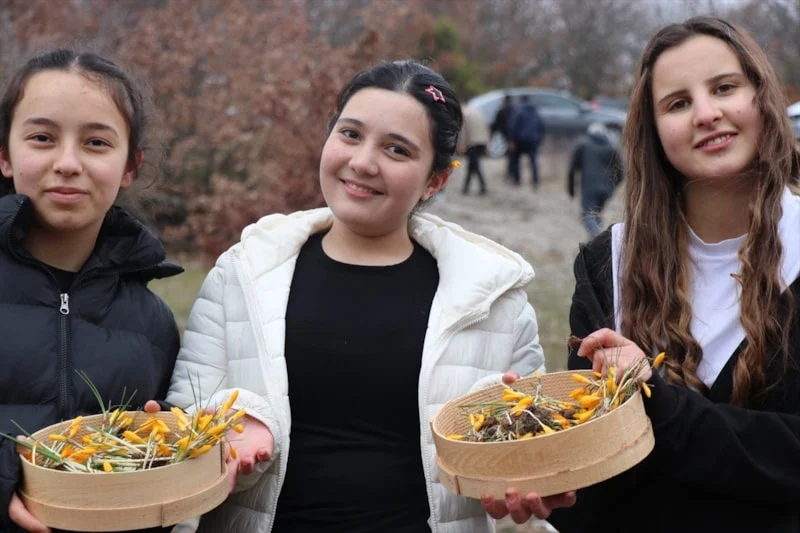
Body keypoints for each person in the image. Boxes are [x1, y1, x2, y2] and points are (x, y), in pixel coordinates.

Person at [166, 60, 546, 533]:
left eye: (397, 149)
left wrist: (521, 481)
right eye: (350, 134)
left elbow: (531, 453)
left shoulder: (494, 298)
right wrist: (237, 427)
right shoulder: (241, 274)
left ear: (436, 180)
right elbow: (181, 425)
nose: (363, 162)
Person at [483, 16, 800, 533]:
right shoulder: (608, 261)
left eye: (724, 88)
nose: (706, 113)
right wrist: (546, 461)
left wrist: (654, 398)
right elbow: (604, 484)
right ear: (652, 131)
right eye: (677, 103)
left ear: (762, 96)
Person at [0, 49, 183, 533]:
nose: (67, 163)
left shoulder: (153, 322)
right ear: (4, 154)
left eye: (96, 142)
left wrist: (156, 446)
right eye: (42, 138)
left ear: (129, 166)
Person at [566, 122, 623, 237]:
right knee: (596, 214)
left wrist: (571, 189)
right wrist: (613, 187)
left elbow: (572, 168)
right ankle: (595, 245)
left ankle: (599, 237)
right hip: (607, 189)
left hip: (590, 187)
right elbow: (621, 172)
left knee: (587, 215)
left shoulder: (583, 145)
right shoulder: (611, 147)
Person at [508, 94, 545, 189]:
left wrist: (512, 140)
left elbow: (513, 126)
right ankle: (535, 181)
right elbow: (541, 127)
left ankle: (517, 180)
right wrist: (539, 139)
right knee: (533, 161)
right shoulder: (535, 112)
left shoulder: (518, 111)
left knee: (516, 160)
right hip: (533, 140)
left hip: (520, 140)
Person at [458, 101, 490, 195]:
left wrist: (461, 145)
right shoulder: (477, 111)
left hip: (473, 142)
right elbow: (486, 127)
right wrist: (487, 143)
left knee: (475, 165)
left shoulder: (464, 113)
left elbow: (463, 130)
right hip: (482, 141)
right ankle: (466, 187)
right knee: (472, 165)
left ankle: (483, 186)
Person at [491, 93, 514, 181]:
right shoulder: (515, 110)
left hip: (505, 135)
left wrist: (492, 134)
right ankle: (513, 175)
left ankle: (509, 174)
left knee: (509, 155)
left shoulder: (501, 110)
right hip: (514, 136)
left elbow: (496, 124)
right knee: (513, 157)